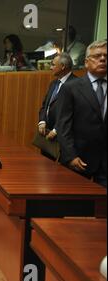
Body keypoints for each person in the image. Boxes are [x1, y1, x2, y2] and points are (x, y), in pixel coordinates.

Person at [56, 40, 107, 188]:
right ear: (86, 62)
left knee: (102, 208)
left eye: (106, 56)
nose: (103, 59)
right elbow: (63, 125)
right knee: (74, 206)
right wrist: (71, 156)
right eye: (97, 56)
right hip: (78, 159)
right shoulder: (71, 88)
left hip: (105, 163)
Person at [37, 52, 77, 160]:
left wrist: (56, 130)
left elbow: (73, 113)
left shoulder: (76, 85)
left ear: (63, 66)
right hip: (47, 135)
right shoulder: (54, 83)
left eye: (53, 65)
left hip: (63, 137)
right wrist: (42, 121)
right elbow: (45, 105)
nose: (50, 67)